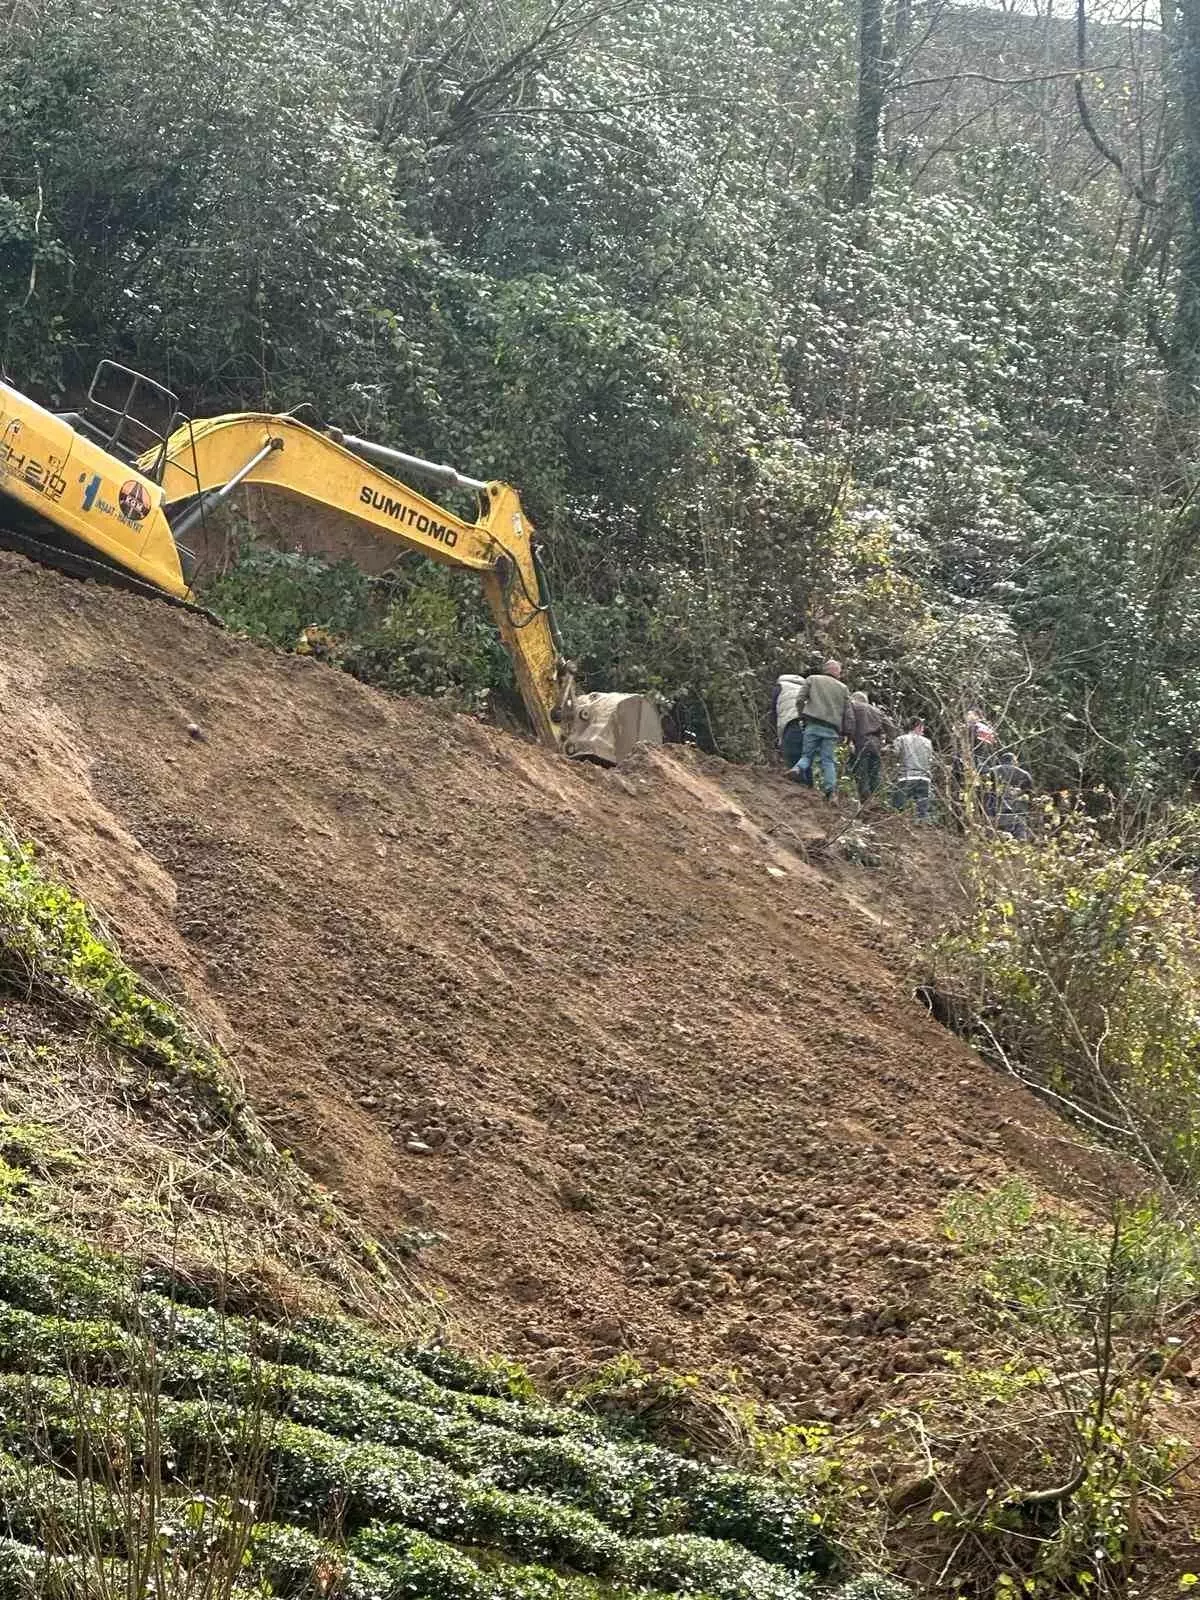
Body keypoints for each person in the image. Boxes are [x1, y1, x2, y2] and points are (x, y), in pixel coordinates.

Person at [786, 659, 853, 800]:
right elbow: (848, 713)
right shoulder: (843, 688)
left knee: (807, 755)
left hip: (813, 724)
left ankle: (797, 768)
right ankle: (831, 791)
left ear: (825, 669)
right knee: (828, 760)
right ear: (838, 673)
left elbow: (799, 699)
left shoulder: (812, 679)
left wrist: (802, 715)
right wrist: (848, 733)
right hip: (832, 729)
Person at [847, 690, 897, 803]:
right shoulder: (876, 710)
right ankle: (877, 803)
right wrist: (889, 744)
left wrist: (848, 741)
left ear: (854, 699)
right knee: (874, 776)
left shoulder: (853, 706)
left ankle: (865, 804)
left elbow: (848, 724)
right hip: (875, 745)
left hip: (860, 743)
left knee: (861, 775)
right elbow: (891, 727)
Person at [985, 749, 1033, 840]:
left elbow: (985, 791)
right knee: (1019, 839)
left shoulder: (991, 771)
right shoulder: (1024, 774)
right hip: (1017, 811)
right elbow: (1029, 793)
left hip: (995, 809)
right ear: (1014, 761)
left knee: (994, 838)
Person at [891, 717, 934, 821]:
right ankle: (922, 829)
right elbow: (930, 759)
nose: (923, 729)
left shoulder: (901, 739)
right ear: (917, 727)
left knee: (898, 809)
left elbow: (894, 754)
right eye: (922, 727)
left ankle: (900, 829)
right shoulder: (927, 742)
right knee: (922, 811)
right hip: (924, 778)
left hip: (906, 777)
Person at [773, 673, 810, 770]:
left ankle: (795, 779)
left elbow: (774, 708)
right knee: (806, 754)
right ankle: (808, 782)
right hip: (807, 722)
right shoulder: (806, 688)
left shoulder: (780, 687)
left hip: (789, 721)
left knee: (791, 753)